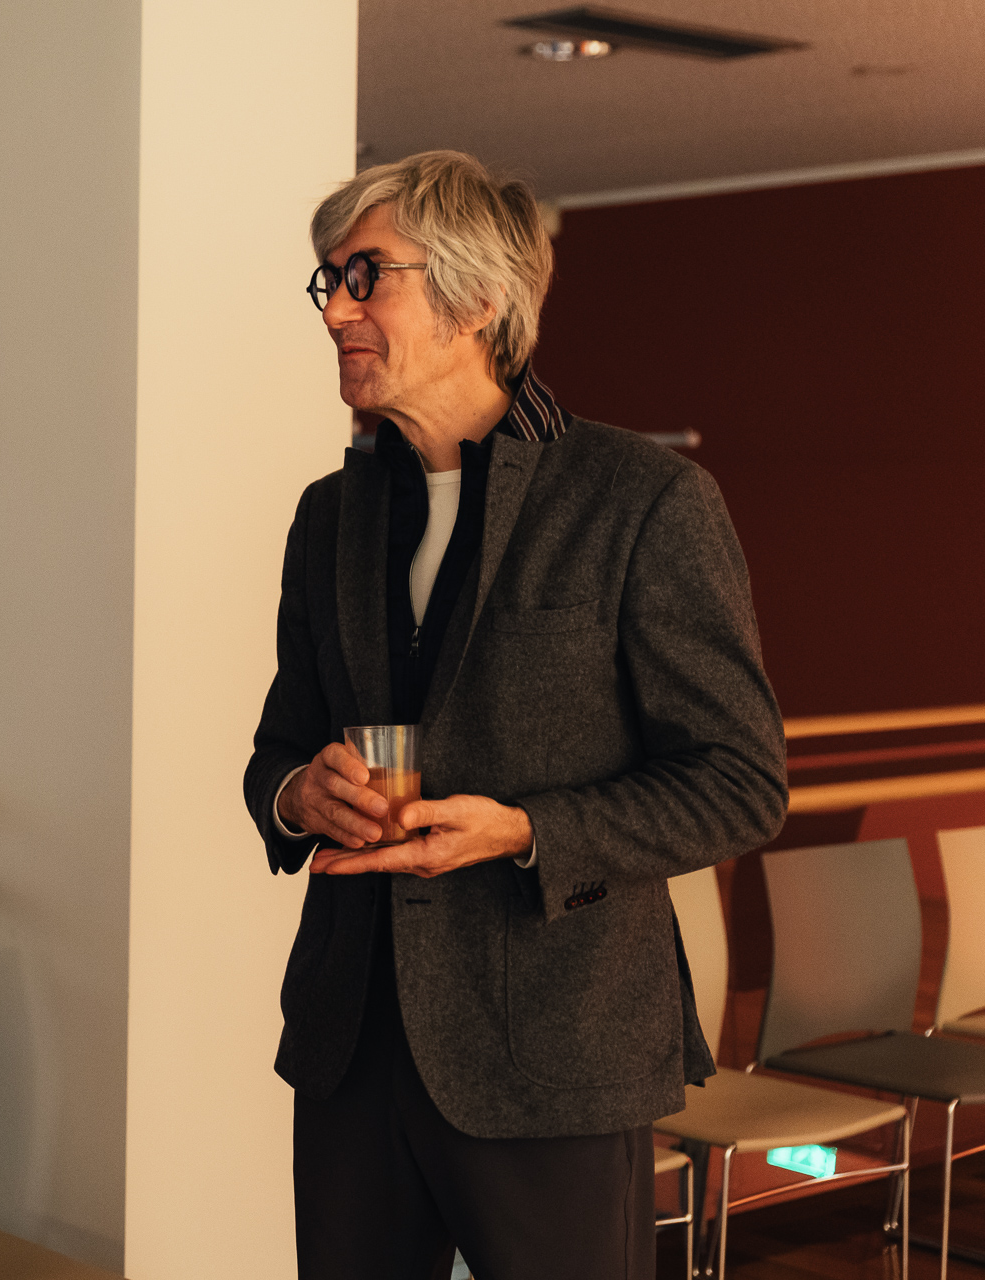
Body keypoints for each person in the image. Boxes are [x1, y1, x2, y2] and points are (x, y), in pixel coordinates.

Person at [243, 151, 787, 1278]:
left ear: (478, 298)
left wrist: (525, 829)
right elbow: (278, 749)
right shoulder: (328, 517)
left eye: (365, 276)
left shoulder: (643, 499)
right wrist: (299, 793)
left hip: (558, 1049)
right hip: (352, 1048)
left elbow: (741, 782)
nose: (334, 310)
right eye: (329, 282)